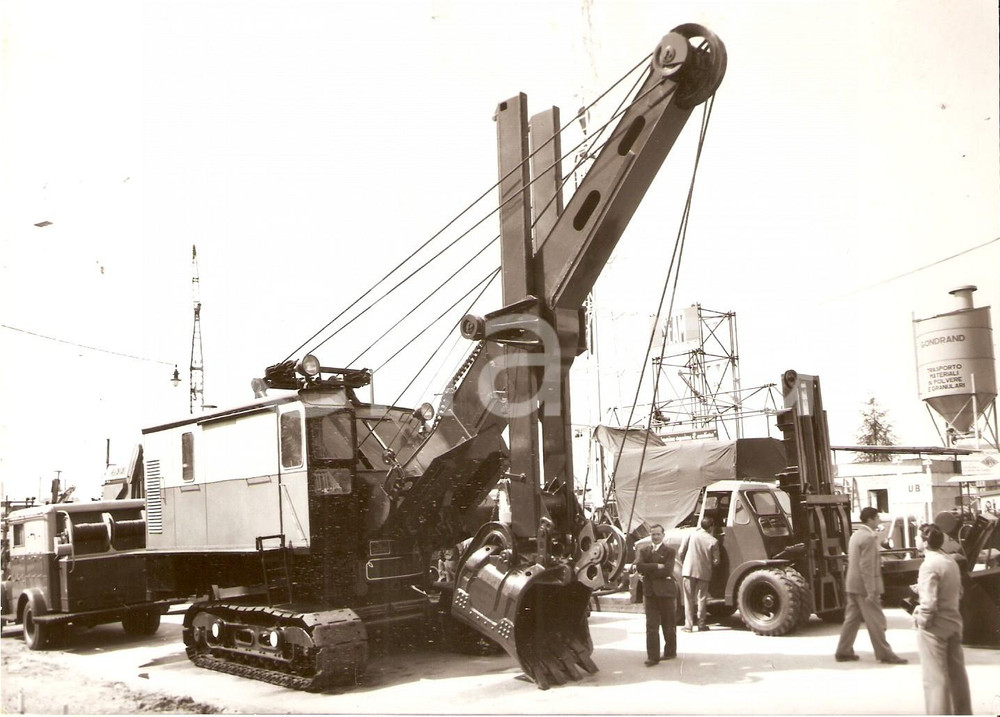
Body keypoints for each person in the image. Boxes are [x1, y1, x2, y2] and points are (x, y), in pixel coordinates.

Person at [835, 506, 908, 664]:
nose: (879, 520)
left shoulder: (856, 535)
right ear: (870, 520)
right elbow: (866, 566)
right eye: (877, 518)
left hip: (852, 584)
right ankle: (885, 654)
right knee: (876, 621)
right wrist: (871, 590)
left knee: (852, 620)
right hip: (864, 587)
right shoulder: (868, 538)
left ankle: (843, 650)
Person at [913, 524, 972, 714]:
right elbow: (959, 591)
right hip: (954, 623)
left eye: (916, 537)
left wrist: (920, 619)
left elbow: (929, 604)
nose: (915, 540)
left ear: (924, 542)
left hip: (934, 629)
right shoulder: (949, 561)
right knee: (957, 676)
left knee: (935, 680)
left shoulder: (927, 565)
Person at [635, 523, 678, 666]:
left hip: (666, 593)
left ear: (663, 535)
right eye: (653, 534)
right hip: (650, 593)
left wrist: (648, 571)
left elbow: (668, 571)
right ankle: (653, 657)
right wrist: (656, 566)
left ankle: (670, 651)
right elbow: (639, 567)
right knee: (651, 626)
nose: (655, 537)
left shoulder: (670, 552)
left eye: (658, 534)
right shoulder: (644, 551)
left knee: (668, 624)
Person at [679, 516, 720, 632]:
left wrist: (685, 563)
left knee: (688, 598)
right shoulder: (713, 541)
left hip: (688, 570)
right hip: (704, 572)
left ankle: (688, 626)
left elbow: (681, 551)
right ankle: (701, 624)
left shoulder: (691, 534)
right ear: (711, 526)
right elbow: (717, 561)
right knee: (702, 598)